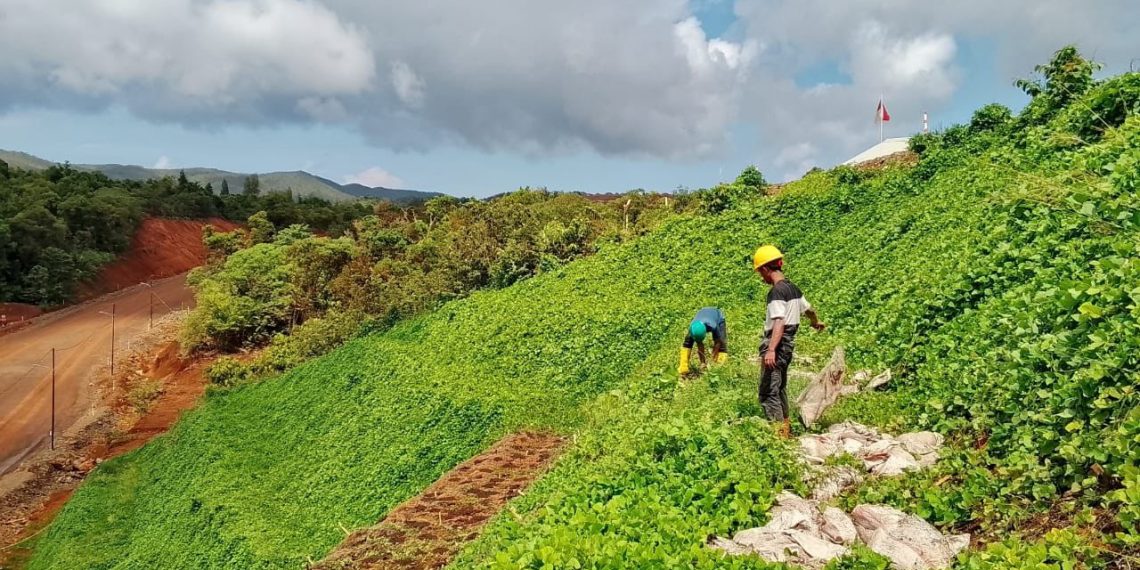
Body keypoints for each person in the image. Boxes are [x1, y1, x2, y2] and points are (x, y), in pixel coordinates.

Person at [753, 245, 825, 438]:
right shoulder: (793, 289)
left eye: (761, 272)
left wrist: (771, 349)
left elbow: (779, 321)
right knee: (780, 388)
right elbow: (808, 309)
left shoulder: (776, 292)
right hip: (788, 347)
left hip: (777, 345)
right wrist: (815, 322)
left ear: (766, 269)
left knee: (768, 393)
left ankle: (779, 437)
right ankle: (786, 429)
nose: (762, 278)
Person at [678, 307, 728, 375]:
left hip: (717, 315)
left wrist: (713, 356)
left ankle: (720, 366)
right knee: (687, 342)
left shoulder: (713, 325)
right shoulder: (692, 327)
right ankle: (683, 367)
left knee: (722, 342)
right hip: (702, 312)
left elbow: (718, 342)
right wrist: (703, 363)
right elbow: (699, 344)